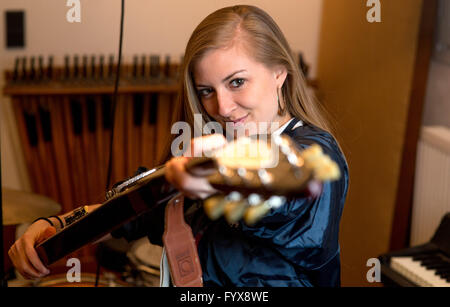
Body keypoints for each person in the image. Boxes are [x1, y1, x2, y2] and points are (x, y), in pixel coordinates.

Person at [8, 5, 348, 286]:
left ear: (279, 73)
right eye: (206, 91)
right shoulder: (202, 156)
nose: (222, 107)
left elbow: (285, 180)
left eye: (237, 82)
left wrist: (221, 170)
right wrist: (57, 227)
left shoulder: (315, 153)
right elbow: (130, 212)